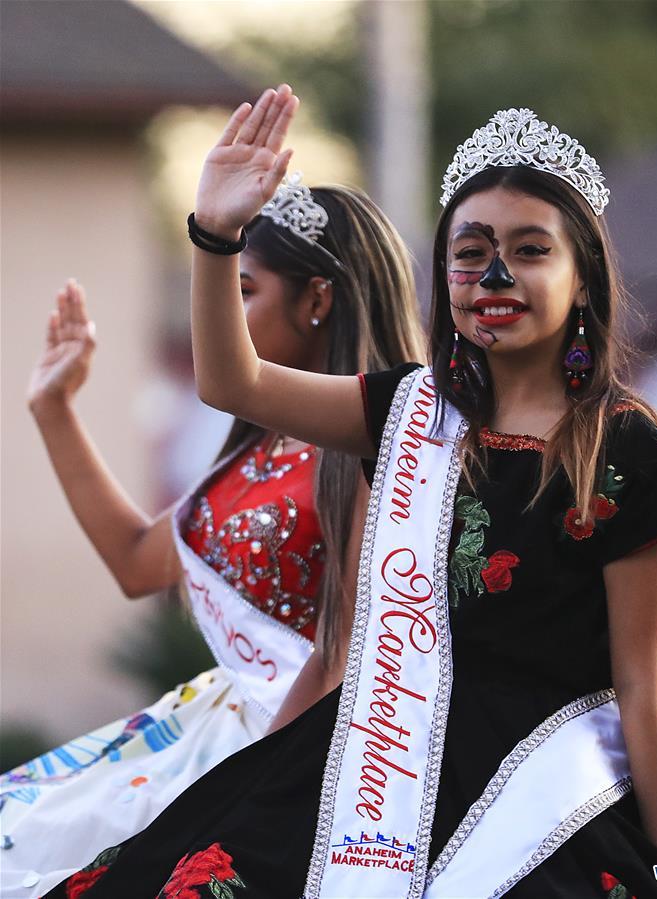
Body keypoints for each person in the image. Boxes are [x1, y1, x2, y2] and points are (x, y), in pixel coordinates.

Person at [47, 87, 657, 898]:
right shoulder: (405, 410)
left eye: (530, 249)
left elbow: (641, 688)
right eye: (470, 249)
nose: (495, 273)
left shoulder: (622, 450)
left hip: (541, 792)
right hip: (376, 764)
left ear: (583, 279)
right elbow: (229, 381)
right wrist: (216, 234)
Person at [1, 176, 425, 897]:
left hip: (295, 749)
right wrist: (54, 410)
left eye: (245, 289)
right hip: (201, 731)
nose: (218, 313)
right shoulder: (254, 449)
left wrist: (253, 787)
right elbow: (139, 563)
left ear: (317, 299)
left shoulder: (382, 448)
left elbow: (348, 653)